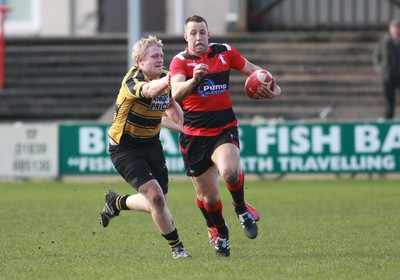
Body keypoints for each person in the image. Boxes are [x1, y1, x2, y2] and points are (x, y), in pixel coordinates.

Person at [169, 15, 281, 257]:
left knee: (230, 171)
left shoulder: (225, 52)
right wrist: (195, 79)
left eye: (202, 32)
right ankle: (222, 233)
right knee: (208, 199)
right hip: (194, 137)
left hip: (223, 129)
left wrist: (273, 86)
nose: (198, 37)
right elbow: (176, 93)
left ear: (209, 34)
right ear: (185, 37)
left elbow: (253, 70)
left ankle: (241, 210)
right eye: (193, 33)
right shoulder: (180, 62)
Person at [99, 35, 191, 260]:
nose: (160, 59)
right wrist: (170, 80)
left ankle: (116, 202)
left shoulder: (164, 78)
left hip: (151, 145)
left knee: (158, 204)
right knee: (156, 197)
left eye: (161, 55)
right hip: (124, 147)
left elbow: (170, 109)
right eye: (154, 56)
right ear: (139, 61)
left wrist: (189, 129)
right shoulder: (133, 79)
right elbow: (149, 91)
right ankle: (177, 249)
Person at [373, 19, 400, 120]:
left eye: (398, 28)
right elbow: (377, 56)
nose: (396, 30)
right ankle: (389, 118)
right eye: (394, 28)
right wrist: (381, 68)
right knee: (389, 100)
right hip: (388, 75)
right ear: (390, 29)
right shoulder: (384, 41)